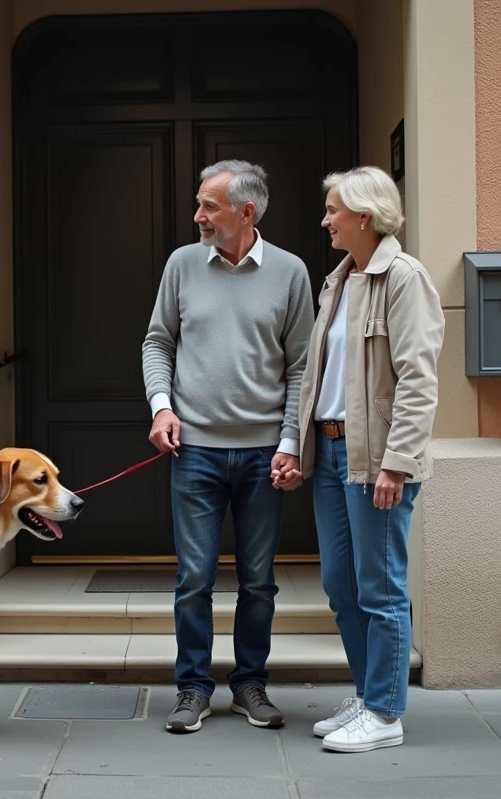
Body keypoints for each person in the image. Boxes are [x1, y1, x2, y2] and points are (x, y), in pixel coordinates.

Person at [142, 160, 315, 733]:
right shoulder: (182, 264)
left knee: (258, 579)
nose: (197, 216)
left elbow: (302, 369)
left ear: (247, 211)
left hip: (266, 452)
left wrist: (291, 442)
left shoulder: (291, 272)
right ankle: (192, 688)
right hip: (194, 451)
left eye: (209, 206)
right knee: (193, 577)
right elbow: (157, 342)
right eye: (199, 204)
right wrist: (162, 406)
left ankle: (249, 684)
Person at [289, 165, 444, 752]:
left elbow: (418, 380)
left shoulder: (404, 278)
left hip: (377, 458)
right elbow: (317, 378)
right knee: (339, 584)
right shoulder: (341, 280)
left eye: (333, 210)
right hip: (332, 452)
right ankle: (368, 692)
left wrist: (397, 463)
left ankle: (384, 713)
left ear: (364, 215)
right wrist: (299, 449)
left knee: (380, 587)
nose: (325, 220)